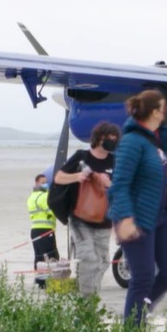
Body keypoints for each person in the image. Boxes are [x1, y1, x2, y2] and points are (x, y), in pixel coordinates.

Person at [108, 90, 167, 325]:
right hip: (137, 218)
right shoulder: (131, 141)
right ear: (152, 111)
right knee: (143, 277)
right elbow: (119, 184)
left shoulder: (155, 139)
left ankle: (139, 313)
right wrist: (124, 218)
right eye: (161, 107)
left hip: (160, 215)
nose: (165, 111)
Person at [53, 121, 119, 299]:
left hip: (104, 221)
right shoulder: (82, 157)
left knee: (103, 262)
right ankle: (86, 303)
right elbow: (58, 178)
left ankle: (90, 295)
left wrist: (108, 184)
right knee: (88, 258)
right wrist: (77, 176)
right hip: (80, 219)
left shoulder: (115, 161)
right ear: (99, 138)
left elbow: (120, 190)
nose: (112, 142)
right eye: (109, 139)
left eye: (115, 139)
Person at [27, 173, 57, 289]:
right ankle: (48, 281)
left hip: (35, 230)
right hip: (45, 230)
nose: (45, 184)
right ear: (37, 183)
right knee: (50, 255)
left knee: (39, 256)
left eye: (46, 182)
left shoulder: (31, 197)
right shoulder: (43, 196)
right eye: (43, 182)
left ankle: (40, 280)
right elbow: (52, 211)